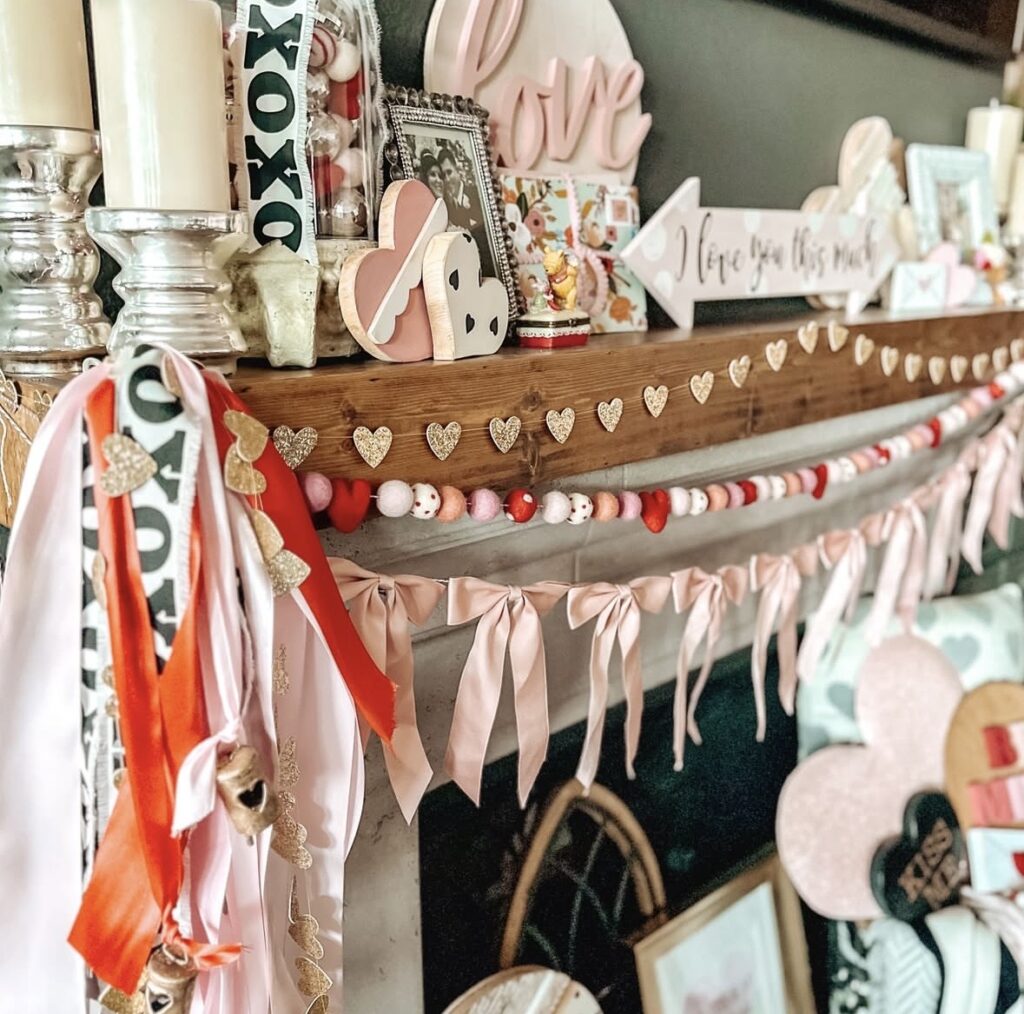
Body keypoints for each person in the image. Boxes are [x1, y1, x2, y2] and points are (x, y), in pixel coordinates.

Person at [437, 146, 476, 230]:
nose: (447, 179)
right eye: (443, 175)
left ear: (457, 170)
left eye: (449, 172)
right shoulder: (446, 207)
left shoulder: (476, 193)